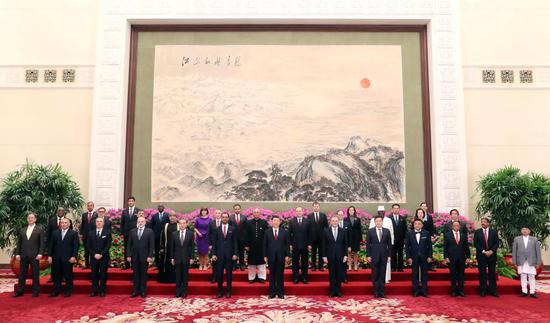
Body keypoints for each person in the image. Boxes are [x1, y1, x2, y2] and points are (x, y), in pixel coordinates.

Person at [13, 212, 45, 298]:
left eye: (32, 218)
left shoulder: (39, 230)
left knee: (35, 274)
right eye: (29, 218)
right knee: (22, 274)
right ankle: (20, 291)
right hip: (23, 255)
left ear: (35, 219)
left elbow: (42, 243)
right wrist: (17, 254)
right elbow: (19, 243)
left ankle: (35, 291)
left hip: (35, 255)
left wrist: (40, 253)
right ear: (27, 219)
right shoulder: (22, 230)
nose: (30, 219)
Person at [48, 218, 79, 297]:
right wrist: (49, 256)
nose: (64, 224)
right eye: (62, 223)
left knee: (68, 275)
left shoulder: (73, 233)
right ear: (60, 224)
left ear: (69, 224)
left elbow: (76, 246)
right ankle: (56, 290)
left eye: (66, 223)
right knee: (56, 275)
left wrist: (73, 256)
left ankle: (68, 291)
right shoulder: (55, 233)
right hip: (56, 258)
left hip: (68, 258)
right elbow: (51, 246)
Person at [126, 214, 154, 298]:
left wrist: (150, 256)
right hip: (134, 257)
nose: (140, 223)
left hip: (145, 257)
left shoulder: (149, 231)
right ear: (137, 222)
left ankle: (143, 291)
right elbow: (129, 245)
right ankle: (135, 291)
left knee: (143, 274)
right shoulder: (132, 231)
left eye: (142, 221)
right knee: (135, 274)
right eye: (139, 221)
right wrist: (128, 255)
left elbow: (151, 245)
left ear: (145, 222)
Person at [211, 212, 238, 298]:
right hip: (219, 256)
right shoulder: (217, 229)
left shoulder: (233, 229)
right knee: (219, 275)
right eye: (223, 217)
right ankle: (219, 291)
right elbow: (214, 243)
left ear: (228, 218)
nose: (225, 219)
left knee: (229, 275)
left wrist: (235, 253)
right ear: (221, 218)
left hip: (230, 256)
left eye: (226, 217)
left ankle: (228, 292)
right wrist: (213, 254)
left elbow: (235, 242)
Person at [263, 216, 290, 299]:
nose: (276, 222)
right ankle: (272, 292)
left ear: (280, 222)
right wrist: (264, 255)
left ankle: (280, 292)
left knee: (280, 275)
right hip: (270, 256)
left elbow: (287, 245)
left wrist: (287, 255)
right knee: (272, 275)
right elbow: (264, 245)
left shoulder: (284, 232)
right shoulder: (267, 232)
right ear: (272, 222)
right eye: (274, 221)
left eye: (277, 221)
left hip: (281, 256)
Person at [405, 218, 432, 297]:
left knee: (424, 274)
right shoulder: (409, 233)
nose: (417, 225)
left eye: (419, 224)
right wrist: (408, 257)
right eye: (416, 224)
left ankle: (424, 291)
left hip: (424, 256)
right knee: (415, 274)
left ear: (422, 225)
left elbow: (430, 246)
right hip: (414, 256)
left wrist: (430, 256)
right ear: (413, 225)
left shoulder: (426, 233)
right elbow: (407, 246)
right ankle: (415, 291)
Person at [322, 215, 348, 297]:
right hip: (330, 256)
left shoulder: (343, 231)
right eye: (333, 221)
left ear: (338, 222)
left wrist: (345, 255)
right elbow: (324, 245)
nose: (334, 222)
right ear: (330, 222)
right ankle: (332, 291)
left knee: (339, 274)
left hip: (340, 256)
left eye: (336, 221)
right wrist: (324, 256)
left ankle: (339, 291)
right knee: (332, 274)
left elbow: (345, 244)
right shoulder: (326, 231)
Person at [512, 227, 542, 298]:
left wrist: (538, 262)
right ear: (521, 231)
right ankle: (524, 291)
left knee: (532, 276)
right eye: (523, 230)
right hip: (521, 260)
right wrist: (514, 262)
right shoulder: (517, 239)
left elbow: (538, 251)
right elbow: (514, 251)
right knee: (523, 276)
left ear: (529, 231)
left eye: (526, 230)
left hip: (531, 261)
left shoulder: (534, 239)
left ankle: (532, 292)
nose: (524, 231)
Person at [367, 215, 392, 298]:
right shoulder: (370, 231)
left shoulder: (386, 231)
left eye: (380, 221)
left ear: (382, 222)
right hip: (374, 256)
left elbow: (389, 244)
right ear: (374, 222)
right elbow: (368, 244)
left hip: (384, 256)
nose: (378, 222)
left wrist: (389, 255)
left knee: (382, 274)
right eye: (377, 221)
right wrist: (368, 255)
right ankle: (376, 292)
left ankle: (382, 292)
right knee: (375, 274)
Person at [474, 217, 499, 297]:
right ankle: (483, 290)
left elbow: (496, 243)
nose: (483, 223)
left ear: (488, 223)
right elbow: (476, 243)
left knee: (492, 273)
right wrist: (484, 251)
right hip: (482, 255)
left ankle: (493, 290)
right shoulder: (477, 232)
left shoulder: (493, 232)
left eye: (485, 222)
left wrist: (491, 251)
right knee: (482, 273)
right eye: (482, 222)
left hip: (492, 255)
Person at [444, 220, 470, 297]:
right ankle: (453, 291)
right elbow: (445, 247)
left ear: (459, 226)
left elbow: (466, 247)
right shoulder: (447, 235)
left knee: (461, 275)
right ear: (452, 226)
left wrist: (468, 257)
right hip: (451, 258)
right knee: (453, 275)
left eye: (457, 226)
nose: (456, 227)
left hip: (461, 258)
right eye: (454, 225)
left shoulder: (463, 235)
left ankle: (461, 291)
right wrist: (446, 257)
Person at [87, 217, 111, 297]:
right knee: (94, 274)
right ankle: (94, 290)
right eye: (97, 221)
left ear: (103, 223)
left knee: (103, 274)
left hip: (103, 257)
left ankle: (102, 291)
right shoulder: (90, 233)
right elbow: (88, 246)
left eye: (101, 221)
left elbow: (108, 245)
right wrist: (94, 254)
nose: (99, 223)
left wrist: (101, 254)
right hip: (94, 257)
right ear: (95, 223)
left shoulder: (107, 232)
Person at [171, 218, 194, 298]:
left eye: (184, 223)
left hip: (186, 258)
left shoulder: (190, 234)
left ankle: (184, 292)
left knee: (185, 276)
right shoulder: (174, 234)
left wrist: (191, 258)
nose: (182, 225)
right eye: (180, 223)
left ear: (186, 224)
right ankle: (178, 291)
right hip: (177, 258)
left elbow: (192, 247)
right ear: (178, 224)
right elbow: (172, 247)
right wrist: (172, 258)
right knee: (177, 276)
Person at [370, 206, 394, 283]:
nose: (381, 213)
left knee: (385, 267)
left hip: (385, 249)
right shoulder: (372, 220)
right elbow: (370, 237)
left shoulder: (389, 220)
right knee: (375, 271)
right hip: (375, 250)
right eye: (379, 211)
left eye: (382, 211)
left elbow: (391, 232)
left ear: (384, 212)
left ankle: (387, 278)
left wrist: (390, 247)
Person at [288, 207, 311, 284]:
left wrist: (309, 244)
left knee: (305, 262)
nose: (298, 212)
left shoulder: (307, 221)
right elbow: (289, 234)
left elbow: (310, 234)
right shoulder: (291, 221)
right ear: (295, 212)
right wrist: (290, 244)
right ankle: (295, 277)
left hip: (305, 245)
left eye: (300, 211)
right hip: (295, 245)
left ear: (302, 212)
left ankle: (304, 277)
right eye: (297, 211)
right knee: (295, 262)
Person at [245, 208, 268, 283]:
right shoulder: (248, 223)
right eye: (255, 212)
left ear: (260, 213)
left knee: (261, 262)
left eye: (258, 212)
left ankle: (262, 277)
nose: (256, 213)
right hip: (251, 246)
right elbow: (246, 234)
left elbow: (266, 234)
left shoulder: (264, 222)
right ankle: (251, 277)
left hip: (261, 246)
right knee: (251, 262)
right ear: (253, 213)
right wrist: (246, 245)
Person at [158, 212, 179, 283]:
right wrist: (161, 247)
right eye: (170, 216)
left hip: (177, 249)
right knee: (167, 263)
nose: (172, 217)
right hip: (167, 248)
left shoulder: (179, 225)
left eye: (174, 216)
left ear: (176, 217)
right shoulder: (166, 225)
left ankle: (175, 279)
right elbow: (162, 237)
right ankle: (166, 279)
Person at [121, 196, 140, 269]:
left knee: (134, 248)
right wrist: (122, 233)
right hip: (126, 233)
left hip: (135, 233)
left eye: (132, 201)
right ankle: (127, 264)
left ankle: (134, 265)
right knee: (126, 248)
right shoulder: (124, 211)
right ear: (128, 202)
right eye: (129, 201)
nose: (130, 202)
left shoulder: (138, 211)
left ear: (134, 202)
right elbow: (122, 223)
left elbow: (140, 222)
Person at [308, 202, 328, 271]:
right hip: (312, 238)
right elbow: (308, 228)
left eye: (317, 206)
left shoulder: (323, 215)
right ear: (312, 207)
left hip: (321, 238)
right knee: (313, 252)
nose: (316, 207)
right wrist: (309, 241)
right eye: (314, 206)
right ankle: (313, 266)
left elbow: (326, 227)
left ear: (319, 207)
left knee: (321, 252)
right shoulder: (309, 216)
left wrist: (325, 237)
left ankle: (321, 266)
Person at [416, 204, 436, 271]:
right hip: (417, 240)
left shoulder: (427, 220)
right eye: (419, 213)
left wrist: (432, 236)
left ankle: (429, 265)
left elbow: (431, 228)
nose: (420, 214)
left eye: (421, 213)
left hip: (426, 239)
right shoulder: (415, 221)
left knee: (428, 251)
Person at [389, 203, 407, 272]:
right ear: (392, 209)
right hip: (392, 240)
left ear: (399, 209)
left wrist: (405, 239)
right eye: (394, 208)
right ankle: (393, 267)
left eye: (397, 208)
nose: (396, 209)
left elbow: (405, 229)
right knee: (392, 253)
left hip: (400, 239)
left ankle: (400, 267)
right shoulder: (389, 218)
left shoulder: (402, 218)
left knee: (400, 253)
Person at [229, 204, 247, 270]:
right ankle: (234, 265)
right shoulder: (230, 217)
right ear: (234, 209)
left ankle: (242, 265)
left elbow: (246, 228)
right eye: (235, 209)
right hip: (233, 238)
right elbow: (229, 228)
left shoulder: (244, 217)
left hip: (242, 238)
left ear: (240, 209)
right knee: (234, 252)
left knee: (241, 252)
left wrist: (245, 238)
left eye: (238, 209)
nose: (237, 210)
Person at [151, 204, 169, 269]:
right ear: (157, 208)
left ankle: (163, 264)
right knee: (156, 251)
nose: (160, 207)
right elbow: (151, 226)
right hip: (156, 237)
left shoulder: (167, 216)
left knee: (164, 251)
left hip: (165, 237)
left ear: (164, 208)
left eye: (162, 206)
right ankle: (157, 265)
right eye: (159, 207)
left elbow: (168, 225)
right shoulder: (154, 216)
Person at [80, 201, 97, 269]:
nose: (90, 207)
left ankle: (93, 265)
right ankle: (87, 264)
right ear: (87, 207)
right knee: (86, 250)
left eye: (91, 205)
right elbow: (82, 225)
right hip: (86, 236)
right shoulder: (84, 214)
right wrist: (81, 234)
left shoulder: (96, 214)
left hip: (93, 236)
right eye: (88, 205)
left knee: (93, 250)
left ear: (93, 206)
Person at [345, 206, 362, 271]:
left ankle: (355, 265)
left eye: (352, 210)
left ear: (354, 211)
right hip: (348, 238)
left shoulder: (357, 219)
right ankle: (349, 265)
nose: (351, 211)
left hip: (356, 238)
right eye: (350, 210)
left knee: (355, 252)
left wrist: (360, 239)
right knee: (349, 252)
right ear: (348, 211)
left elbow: (359, 229)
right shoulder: (345, 219)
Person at [208, 209, 222, 283]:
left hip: (223, 246)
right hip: (214, 245)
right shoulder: (211, 223)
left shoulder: (225, 222)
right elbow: (209, 234)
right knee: (214, 262)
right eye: (216, 213)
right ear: (214, 214)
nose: (218, 214)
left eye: (219, 213)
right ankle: (214, 277)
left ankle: (220, 277)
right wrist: (210, 244)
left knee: (221, 262)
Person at [337, 210, 351, 283]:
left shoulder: (347, 224)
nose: (340, 216)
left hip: (344, 246)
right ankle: (338, 278)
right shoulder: (334, 223)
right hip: (337, 247)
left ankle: (344, 278)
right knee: (337, 263)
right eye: (339, 215)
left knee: (344, 262)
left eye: (341, 215)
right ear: (337, 215)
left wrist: (349, 246)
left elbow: (349, 236)